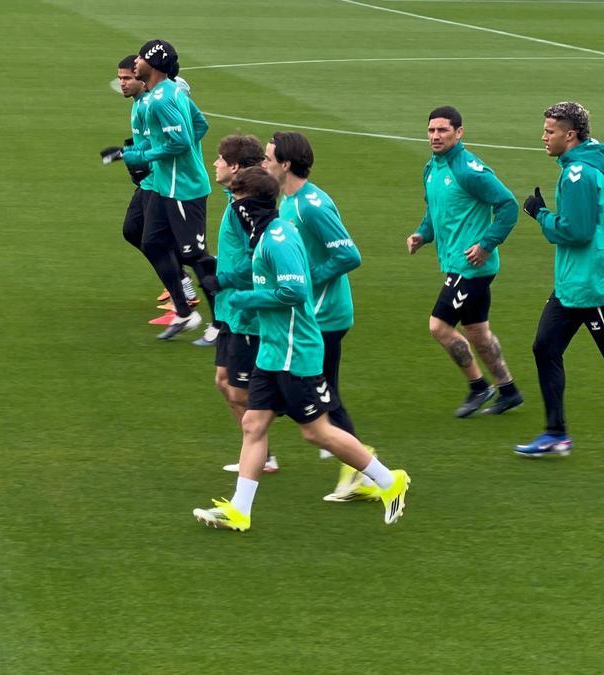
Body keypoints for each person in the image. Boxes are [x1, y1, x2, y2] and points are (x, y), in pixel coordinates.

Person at [192, 168, 411, 531]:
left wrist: (246, 299)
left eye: (238, 198)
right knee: (253, 423)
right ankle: (239, 510)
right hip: (273, 350)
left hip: (295, 351)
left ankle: (391, 481)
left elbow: (295, 292)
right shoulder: (265, 236)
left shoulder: (278, 238)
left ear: (253, 205)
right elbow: (259, 270)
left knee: (317, 432)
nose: (233, 204)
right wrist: (225, 277)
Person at [262, 131, 374, 501]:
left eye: (268, 158)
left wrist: (305, 281)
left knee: (327, 396)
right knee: (319, 396)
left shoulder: (312, 205)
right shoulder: (288, 201)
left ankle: (363, 468)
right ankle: (351, 459)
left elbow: (349, 256)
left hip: (325, 317)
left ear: (286, 164)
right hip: (310, 317)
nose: (264, 164)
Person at [407, 106, 523, 418]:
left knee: (440, 326)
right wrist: (422, 234)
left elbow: (508, 205)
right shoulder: (431, 168)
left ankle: (478, 386)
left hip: (471, 267)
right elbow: (435, 210)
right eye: (431, 130)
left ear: (459, 133)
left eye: (443, 130)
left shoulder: (469, 169)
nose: (435, 136)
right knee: (477, 331)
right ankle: (509, 391)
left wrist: (486, 245)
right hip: (456, 263)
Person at [515, 101, 604, 457]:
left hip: (593, 286)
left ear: (570, 135)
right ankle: (556, 434)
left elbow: (577, 231)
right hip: (573, 283)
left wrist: (541, 215)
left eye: (549, 131)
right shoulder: (586, 163)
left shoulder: (578, 174)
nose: (543, 137)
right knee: (545, 348)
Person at [121, 39, 218, 340]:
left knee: (195, 255)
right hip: (166, 185)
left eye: (140, 58)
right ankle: (185, 312)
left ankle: (223, 323)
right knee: (151, 241)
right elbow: (200, 125)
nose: (135, 62)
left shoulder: (163, 98)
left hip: (183, 189)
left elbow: (181, 141)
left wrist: (145, 156)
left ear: (154, 64)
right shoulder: (168, 92)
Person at [201, 133, 280, 473]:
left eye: (219, 159)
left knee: (239, 391)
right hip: (230, 310)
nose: (215, 164)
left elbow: (259, 257)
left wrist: (224, 278)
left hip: (246, 312)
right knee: (224, 382)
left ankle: (311, 419)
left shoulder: (245, 208)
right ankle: (262, 453)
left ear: (234, 167)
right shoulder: (236, 200)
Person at [104, 55, 199, 319]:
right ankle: (178, 281)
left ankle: (184, 293)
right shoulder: (138, 104)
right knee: (134, 231)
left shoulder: (150, 106)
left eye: (127, 78)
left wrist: (134, 156)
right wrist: (126, 153)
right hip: (150, 180)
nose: (122, 83)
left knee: (158, 239)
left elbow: (172, 140)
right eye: (120, 78)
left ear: (142, 81)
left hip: (161, 182)